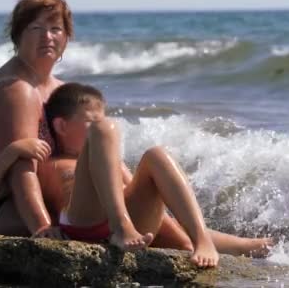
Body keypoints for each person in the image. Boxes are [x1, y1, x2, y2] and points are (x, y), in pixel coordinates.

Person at [38, 82, 273, 267]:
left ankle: (206, 240)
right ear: (61, 126)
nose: (99, 127)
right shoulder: (51, 162)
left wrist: (184, 242)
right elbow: (31, 198)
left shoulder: (110, 162)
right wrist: (44, 226)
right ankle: (122, 226)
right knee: (106, 128)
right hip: (84, 221)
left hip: (131, 224)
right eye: (91, 121)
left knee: (156, 154)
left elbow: (149, 203)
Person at [0, 0, 72, 238]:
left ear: (67, 37)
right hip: (4, 211)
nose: (47, 37)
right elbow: (20, 170)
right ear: (17, 36)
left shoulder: (62, 89)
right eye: (35, 28)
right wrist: (42, 228)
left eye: (55, 29)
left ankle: (185, 247)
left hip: (50, 199)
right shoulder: (16, 90)